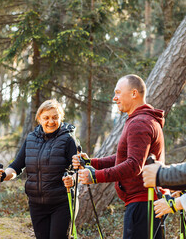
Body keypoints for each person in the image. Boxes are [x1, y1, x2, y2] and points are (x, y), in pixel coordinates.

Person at [67, 74, 165, 239]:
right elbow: (125, 157)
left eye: (118, 92)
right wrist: (91, 162)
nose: (115, 98)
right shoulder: (140, 120)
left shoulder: (140, 123)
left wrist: (95, 176)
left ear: (134, 93)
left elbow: (134, 165)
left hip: (143, 203)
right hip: (145, 202)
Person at [0, 99, 77, 239]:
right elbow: (16, 166)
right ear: (39, 119)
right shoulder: (31, 138)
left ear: (61, 118)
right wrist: (4, 175)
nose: (51, 121)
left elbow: (79, 170)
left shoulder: (68, 140)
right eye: (46, 118)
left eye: (55, 117)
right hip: (36, 204)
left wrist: (73, 179)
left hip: (61, 203)